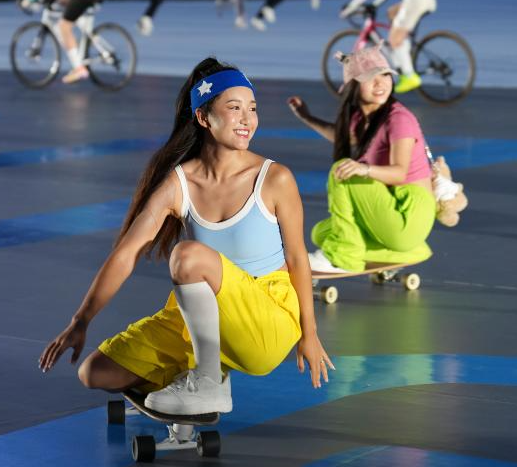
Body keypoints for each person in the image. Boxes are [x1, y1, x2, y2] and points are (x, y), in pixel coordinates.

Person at [38, 58, 333, 415]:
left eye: (252, 108)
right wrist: (80, 320)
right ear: (204, 117)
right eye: (234, 108)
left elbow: (298, 258)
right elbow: (126, 254)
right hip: (204, 317)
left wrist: (309, 334)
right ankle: (206, 371)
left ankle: (207, 382)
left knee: (187, 256)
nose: (247, 119)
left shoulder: (275, 178)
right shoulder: (178, 183)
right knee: (95, 372)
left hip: (267, 318)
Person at [287, 47, 459, 273]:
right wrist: (306, 117)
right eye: (370, 78)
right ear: (353, 87)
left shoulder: (398, 119)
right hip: (393, 209)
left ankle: (343, 258)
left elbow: (399, 172)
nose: (380, 83)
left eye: (385, 74)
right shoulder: (363, 117)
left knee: (342, 170)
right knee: (321, 233)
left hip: (409, 212)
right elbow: (342, 137)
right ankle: (407, 251)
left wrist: (364, 169)